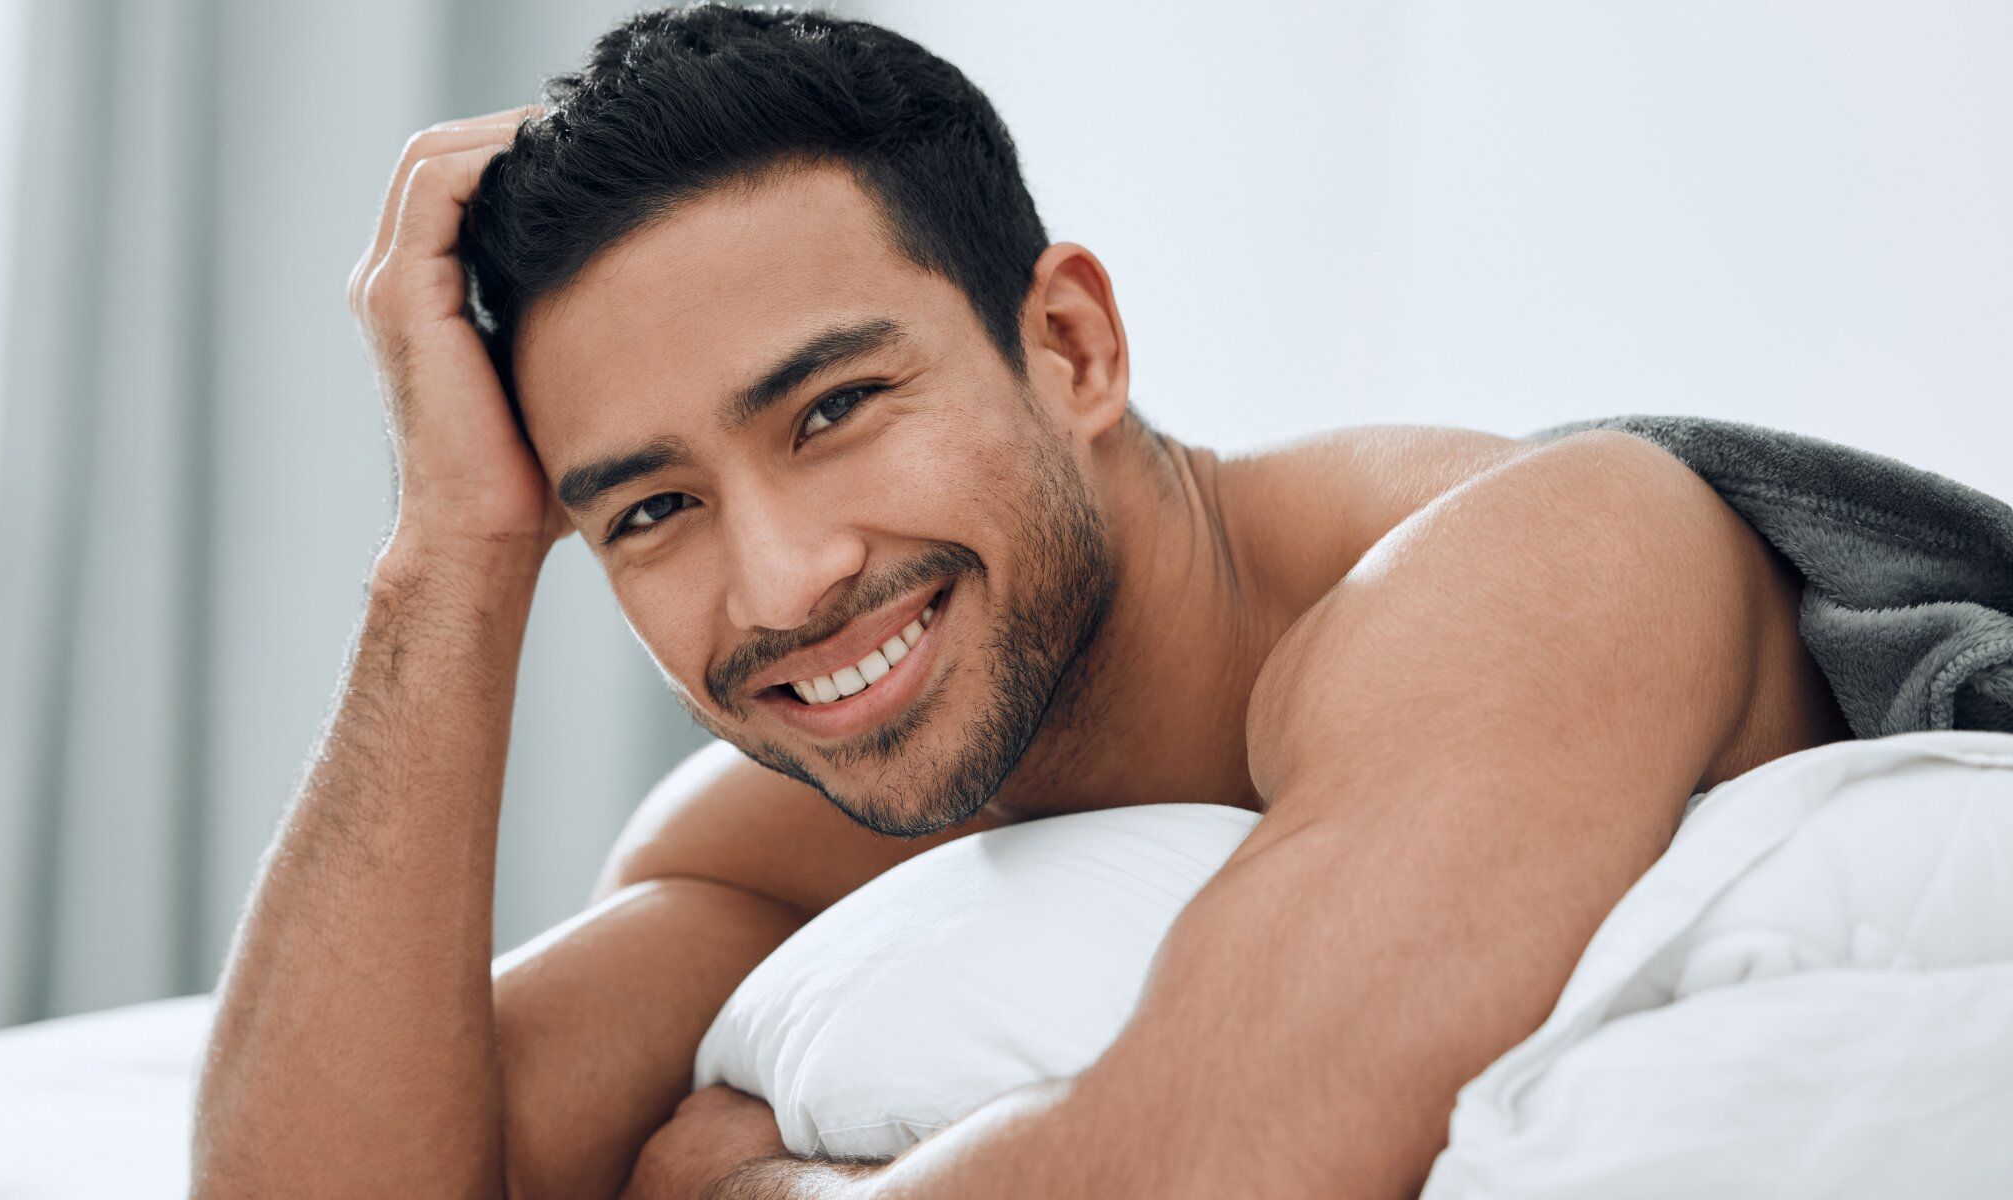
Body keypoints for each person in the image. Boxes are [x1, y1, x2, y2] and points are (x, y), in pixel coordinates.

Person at [188, 6, 1853, 1197]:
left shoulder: (1547, 554)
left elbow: (1226, 1165)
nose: (784, 582)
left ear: (1069, 348)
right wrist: (449, 561)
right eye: (651, 508)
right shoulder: (778, 849)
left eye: (834, 410)